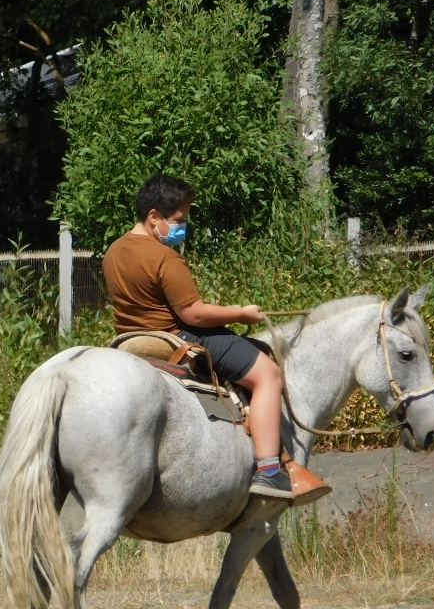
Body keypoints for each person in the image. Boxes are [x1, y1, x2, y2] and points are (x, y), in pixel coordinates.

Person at [102, 174, 297, 500]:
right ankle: (270, 472)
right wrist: (241, 313)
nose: (182, 227)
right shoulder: (164, 257)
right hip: (176, 334)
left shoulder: (114, 251)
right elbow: (193, 313)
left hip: (132, 336)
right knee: (268, 374)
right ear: (154, 217)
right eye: (179, 220)